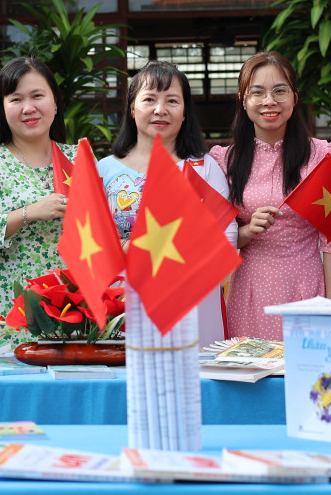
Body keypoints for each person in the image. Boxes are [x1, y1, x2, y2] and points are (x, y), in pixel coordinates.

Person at [98, 62, 235, 345]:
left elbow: (227, 234)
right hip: (122, 300)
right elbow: (91, 241)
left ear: (184, 113)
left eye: (172, 101)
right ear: (132, 108)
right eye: (149, 99)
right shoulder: (105, 169)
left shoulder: (203, 167)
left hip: (191, 300)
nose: (160, 109)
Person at [210, 51, 331, 339]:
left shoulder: (322, 155)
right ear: (243, 101)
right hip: (249, 292)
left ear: (295, 98)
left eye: (280, 91)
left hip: (306, 289)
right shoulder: (223, 161)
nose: (269, 101)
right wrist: (245, 232)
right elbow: (213, 241)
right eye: (257, 92)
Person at [0, 57, 75, 320]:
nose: (28, 108)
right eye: (16, 99)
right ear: (2, 107)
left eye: (37, 96)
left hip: (72, 302)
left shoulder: (79, 158)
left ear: (55, 101)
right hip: (9, 303)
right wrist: (28, 213)